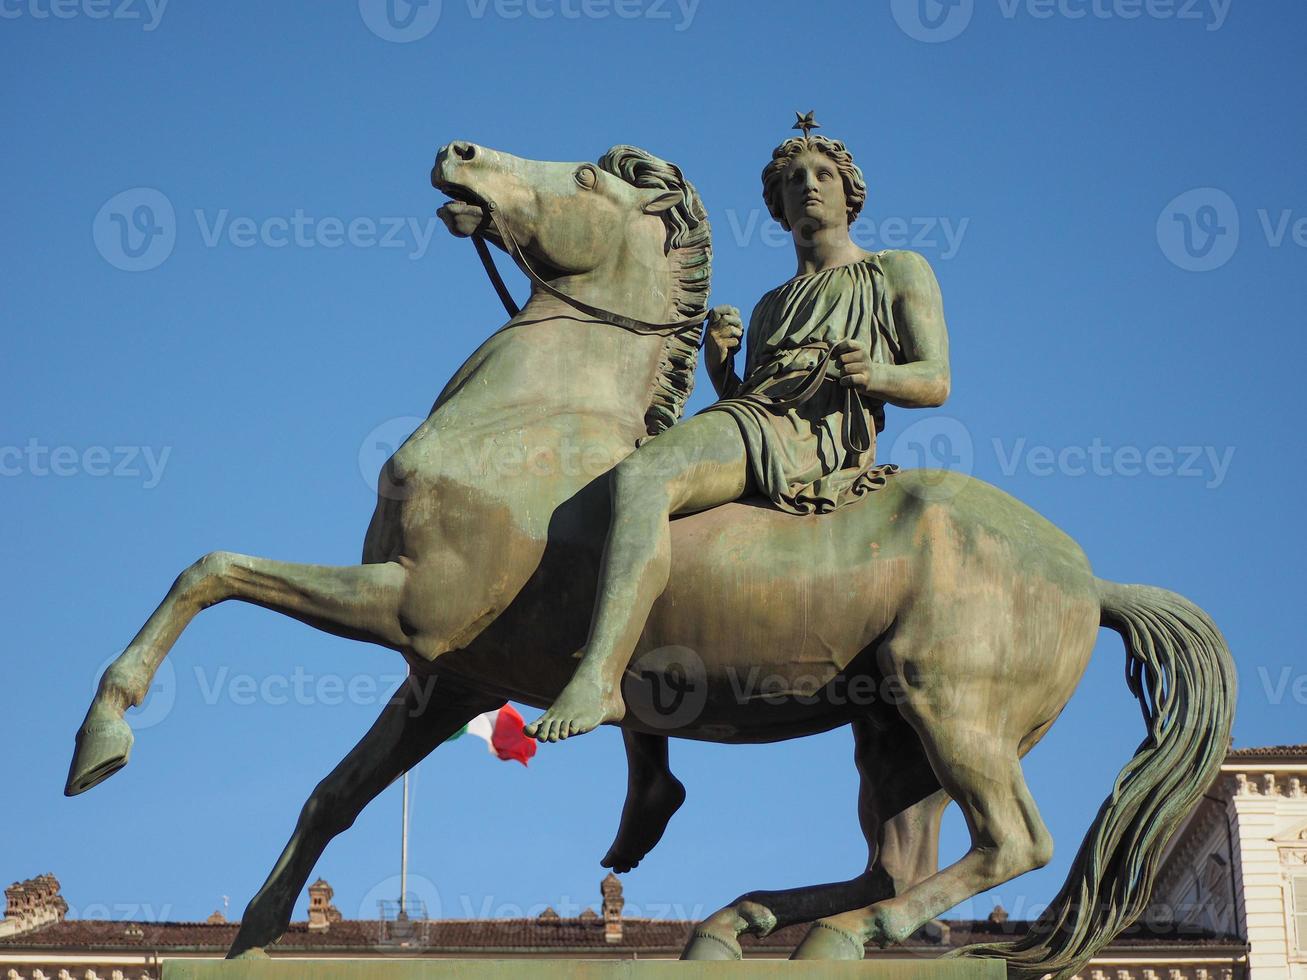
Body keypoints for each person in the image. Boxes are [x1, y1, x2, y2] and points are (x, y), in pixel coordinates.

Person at [525, 125, 952, 742]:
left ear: (849, 193)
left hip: (816, 435)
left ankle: (599, 677)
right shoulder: (770, 304)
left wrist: (876, 373)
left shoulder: (897, 270)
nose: (808, 186)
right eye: (792, 180)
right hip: (760, 423)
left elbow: (935, 380)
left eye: (822, 175)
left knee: (645, 475)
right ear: (776, 206)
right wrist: (724, 369)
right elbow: (749, 405)